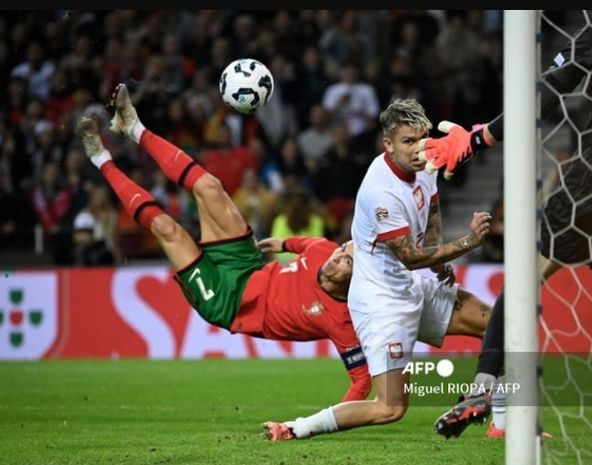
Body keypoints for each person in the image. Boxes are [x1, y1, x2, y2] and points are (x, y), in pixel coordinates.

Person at [76, 83, 491, 406]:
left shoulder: (342, 318)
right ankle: (132, 127)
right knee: (209, 186)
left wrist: (330, 419)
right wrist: (278, 242)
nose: (340, 255)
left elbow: (362, 382)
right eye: (345, 250)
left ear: (353, 285)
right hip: (250, 266)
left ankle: (101, 160)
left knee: (167, 228)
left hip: (228, 300)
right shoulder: (328, 252)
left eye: (347, 260)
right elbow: (308, 241)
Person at [422, 10, 592, 465]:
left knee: (526, 281)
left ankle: (481, 391)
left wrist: (478, 140)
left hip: (591, 181)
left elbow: (544, 96)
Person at [262, 98, 493, 441]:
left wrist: (439, 254)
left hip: (411, 286)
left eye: (422, 139)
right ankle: (296, 428)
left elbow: (431, 207)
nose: (419, 150)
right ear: (388, 144)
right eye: (408, 142)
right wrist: (467, 243)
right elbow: (410, 257)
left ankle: (496, 419)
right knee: (390, 408)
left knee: (498, 325)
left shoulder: (427, 162)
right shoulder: (380, 191)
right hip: (382, 303)